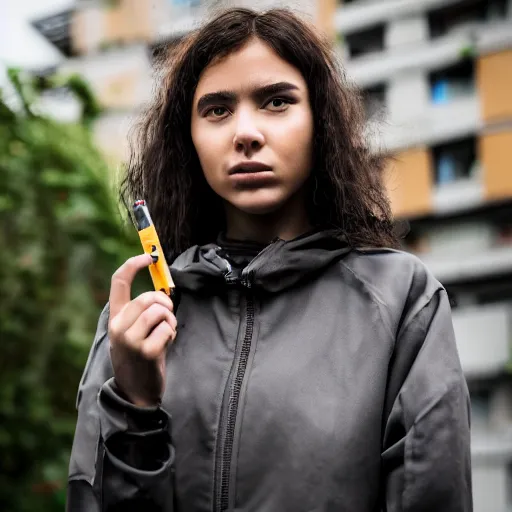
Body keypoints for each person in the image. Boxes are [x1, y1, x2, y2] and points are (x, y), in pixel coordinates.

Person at [67, 7, 472, 512]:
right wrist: (135, 408)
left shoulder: (402, 301)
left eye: (277, 102)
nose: (246, 133)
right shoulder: (137, 321)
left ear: (319, 121)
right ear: (187, 139)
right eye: (216, 109)